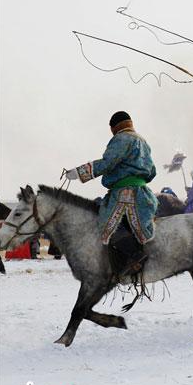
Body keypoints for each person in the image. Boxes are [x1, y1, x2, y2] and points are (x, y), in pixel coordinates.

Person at [64, 111, 158, 280]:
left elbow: (108, 162)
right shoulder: (142, 141)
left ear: (114, 127)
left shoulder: (121, 139)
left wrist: (78, 173)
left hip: (125, 194)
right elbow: (152, 172)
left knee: (105, 226)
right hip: (143, 193)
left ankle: (135, 255)